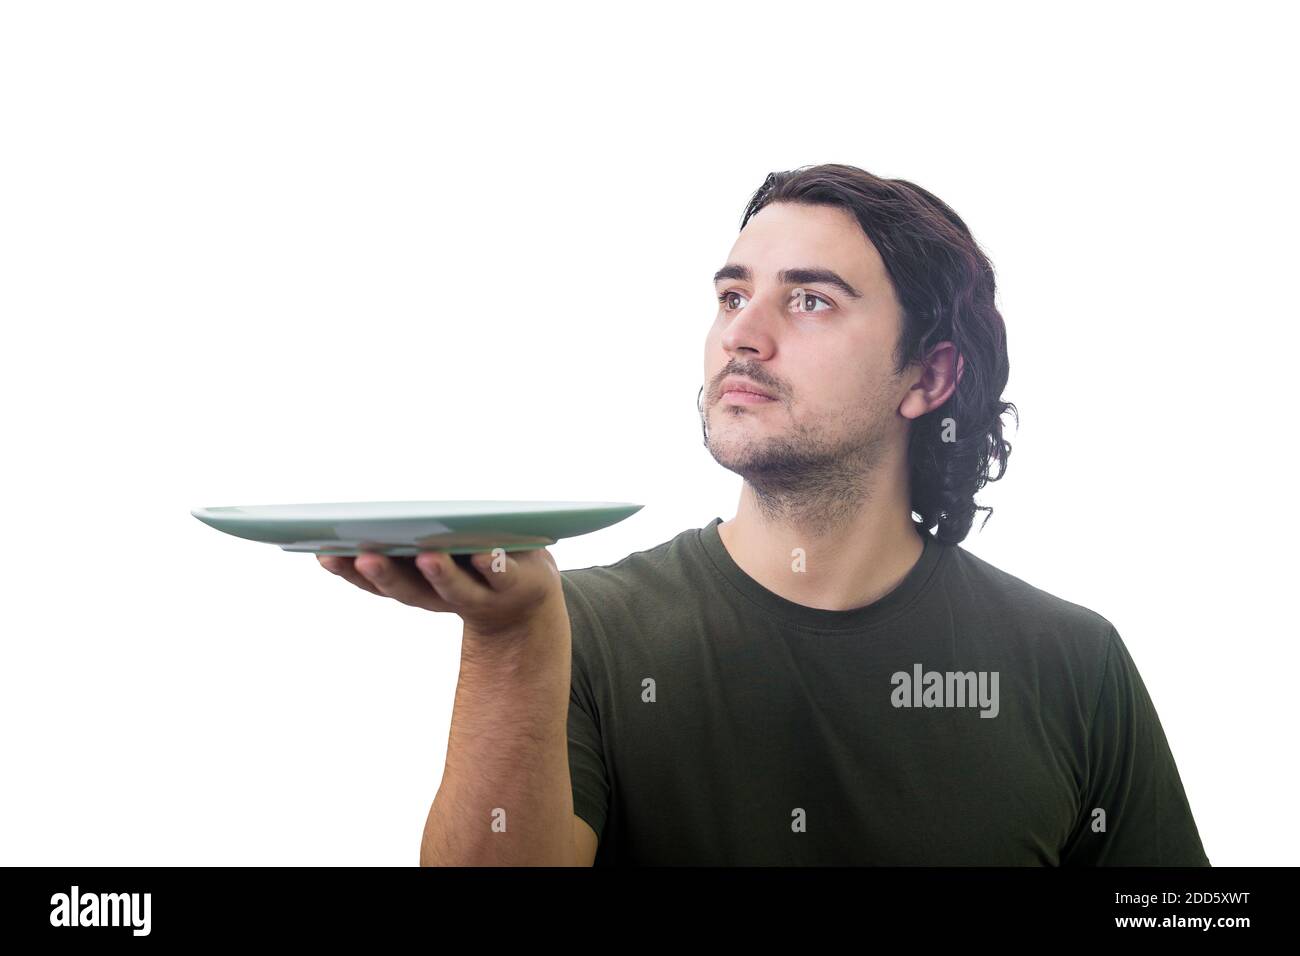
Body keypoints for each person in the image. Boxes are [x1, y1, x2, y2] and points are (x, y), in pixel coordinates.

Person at [319, 163, 1209, 866]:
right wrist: (510, 640)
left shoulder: (1072, 662)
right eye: (733, 295)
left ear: (928, 378)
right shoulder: (578, 628)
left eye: (811, 300)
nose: (744, 333)